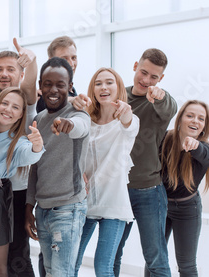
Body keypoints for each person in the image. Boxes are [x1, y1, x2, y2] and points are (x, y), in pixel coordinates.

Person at [113, 48, 177, 277]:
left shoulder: (160, 102)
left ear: (161, 79)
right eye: (143, 72)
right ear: (134, 66)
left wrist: (159, 96)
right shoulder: (117, 97)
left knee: (156, 258)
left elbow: (170, 108)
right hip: (117, 191)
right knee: (112, 255)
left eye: (154, 77)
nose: (146, 80)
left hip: (150, 191)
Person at [25, 57, 90, 277]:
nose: (53, 90)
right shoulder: (40, 120)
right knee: (50, 271)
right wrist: (29, 205)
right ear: (40, 86)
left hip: (68, 209)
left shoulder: (78, 113)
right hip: (42, 209)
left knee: (61, 273)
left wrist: (67, 125)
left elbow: (80, 128)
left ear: (70, 87)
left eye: (60, 85)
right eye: (48, 84)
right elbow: (35, 167)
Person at [73, 68, 139, 277]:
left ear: (118, 87)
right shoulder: (85, 121)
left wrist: (126, 111)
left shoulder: (127, 121)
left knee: (103, 267)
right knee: (71, 262)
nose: (103, 87)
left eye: (109, 82)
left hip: (113, 204)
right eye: (98, 83)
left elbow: (129, 122)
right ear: (93, 89)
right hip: (85, 202)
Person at [0, 87, 44, 277]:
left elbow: (31, 155)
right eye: (5, 103)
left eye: (15, 107)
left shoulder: (18, 143)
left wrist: (37, 145)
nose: (8, 109)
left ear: (21, 115)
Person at [158, 100, 209, 276]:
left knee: (186, 265)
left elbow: (202, 153)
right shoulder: (164, 139)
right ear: (180, 119)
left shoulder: (205, 148)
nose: (195, 121)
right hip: (160, 205)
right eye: (190, 115)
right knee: (154, 260)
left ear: (204, 126)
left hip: (188, 209)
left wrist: (194, 146)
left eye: (201, 118)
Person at [36, 36, 79, 113]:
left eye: (73, 58)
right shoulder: (42, 95)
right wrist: (73, 100)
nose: (71, 64)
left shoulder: (73, 91)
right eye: (65, 59)